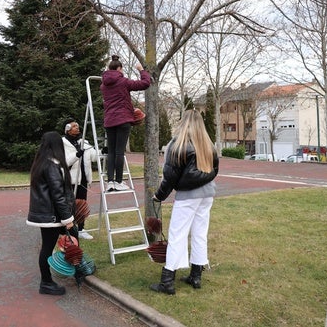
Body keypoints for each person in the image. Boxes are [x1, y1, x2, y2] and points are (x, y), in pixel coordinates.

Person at [150, 109, 219, 294]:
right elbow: (214, 170)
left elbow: (170, 177)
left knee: (177, 236)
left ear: (183, 122)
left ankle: (167, 281)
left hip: (189, 196)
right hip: (207, 195)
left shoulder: (178, 144)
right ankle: (196, 276)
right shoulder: (207, 144)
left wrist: (159, 196)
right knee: (199, 233)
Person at [26, 131, 77, 296]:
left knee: (67, 239)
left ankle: (73, 267)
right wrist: (67, 219)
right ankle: (46, 282)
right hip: (52, 215)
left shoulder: (41, 163)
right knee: (47, 248)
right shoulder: (52, 165)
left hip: (47, 214)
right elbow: (58, 195)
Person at [100, 55, 151, 191]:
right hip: (123, 120)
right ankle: (118, 182)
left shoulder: (103, 85)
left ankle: (110, 181)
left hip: (109, 120)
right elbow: (145, 83)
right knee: (119, 152)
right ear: (120, 69)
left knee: (111, 151)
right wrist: (141, 70)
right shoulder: (123, 82)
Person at [62, 119, 98, 240]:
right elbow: (64, 162)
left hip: (82, 180)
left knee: (81, 205)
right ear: (67, 129)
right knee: (69, 205)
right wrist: (77, 155)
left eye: (78, 126)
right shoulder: (62, 143)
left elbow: (93, 156)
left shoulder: (83, 142)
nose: (77, 128)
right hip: (69, 181)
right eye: (74, 126)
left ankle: (81, 229)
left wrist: (101, 152)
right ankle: (67, 230)